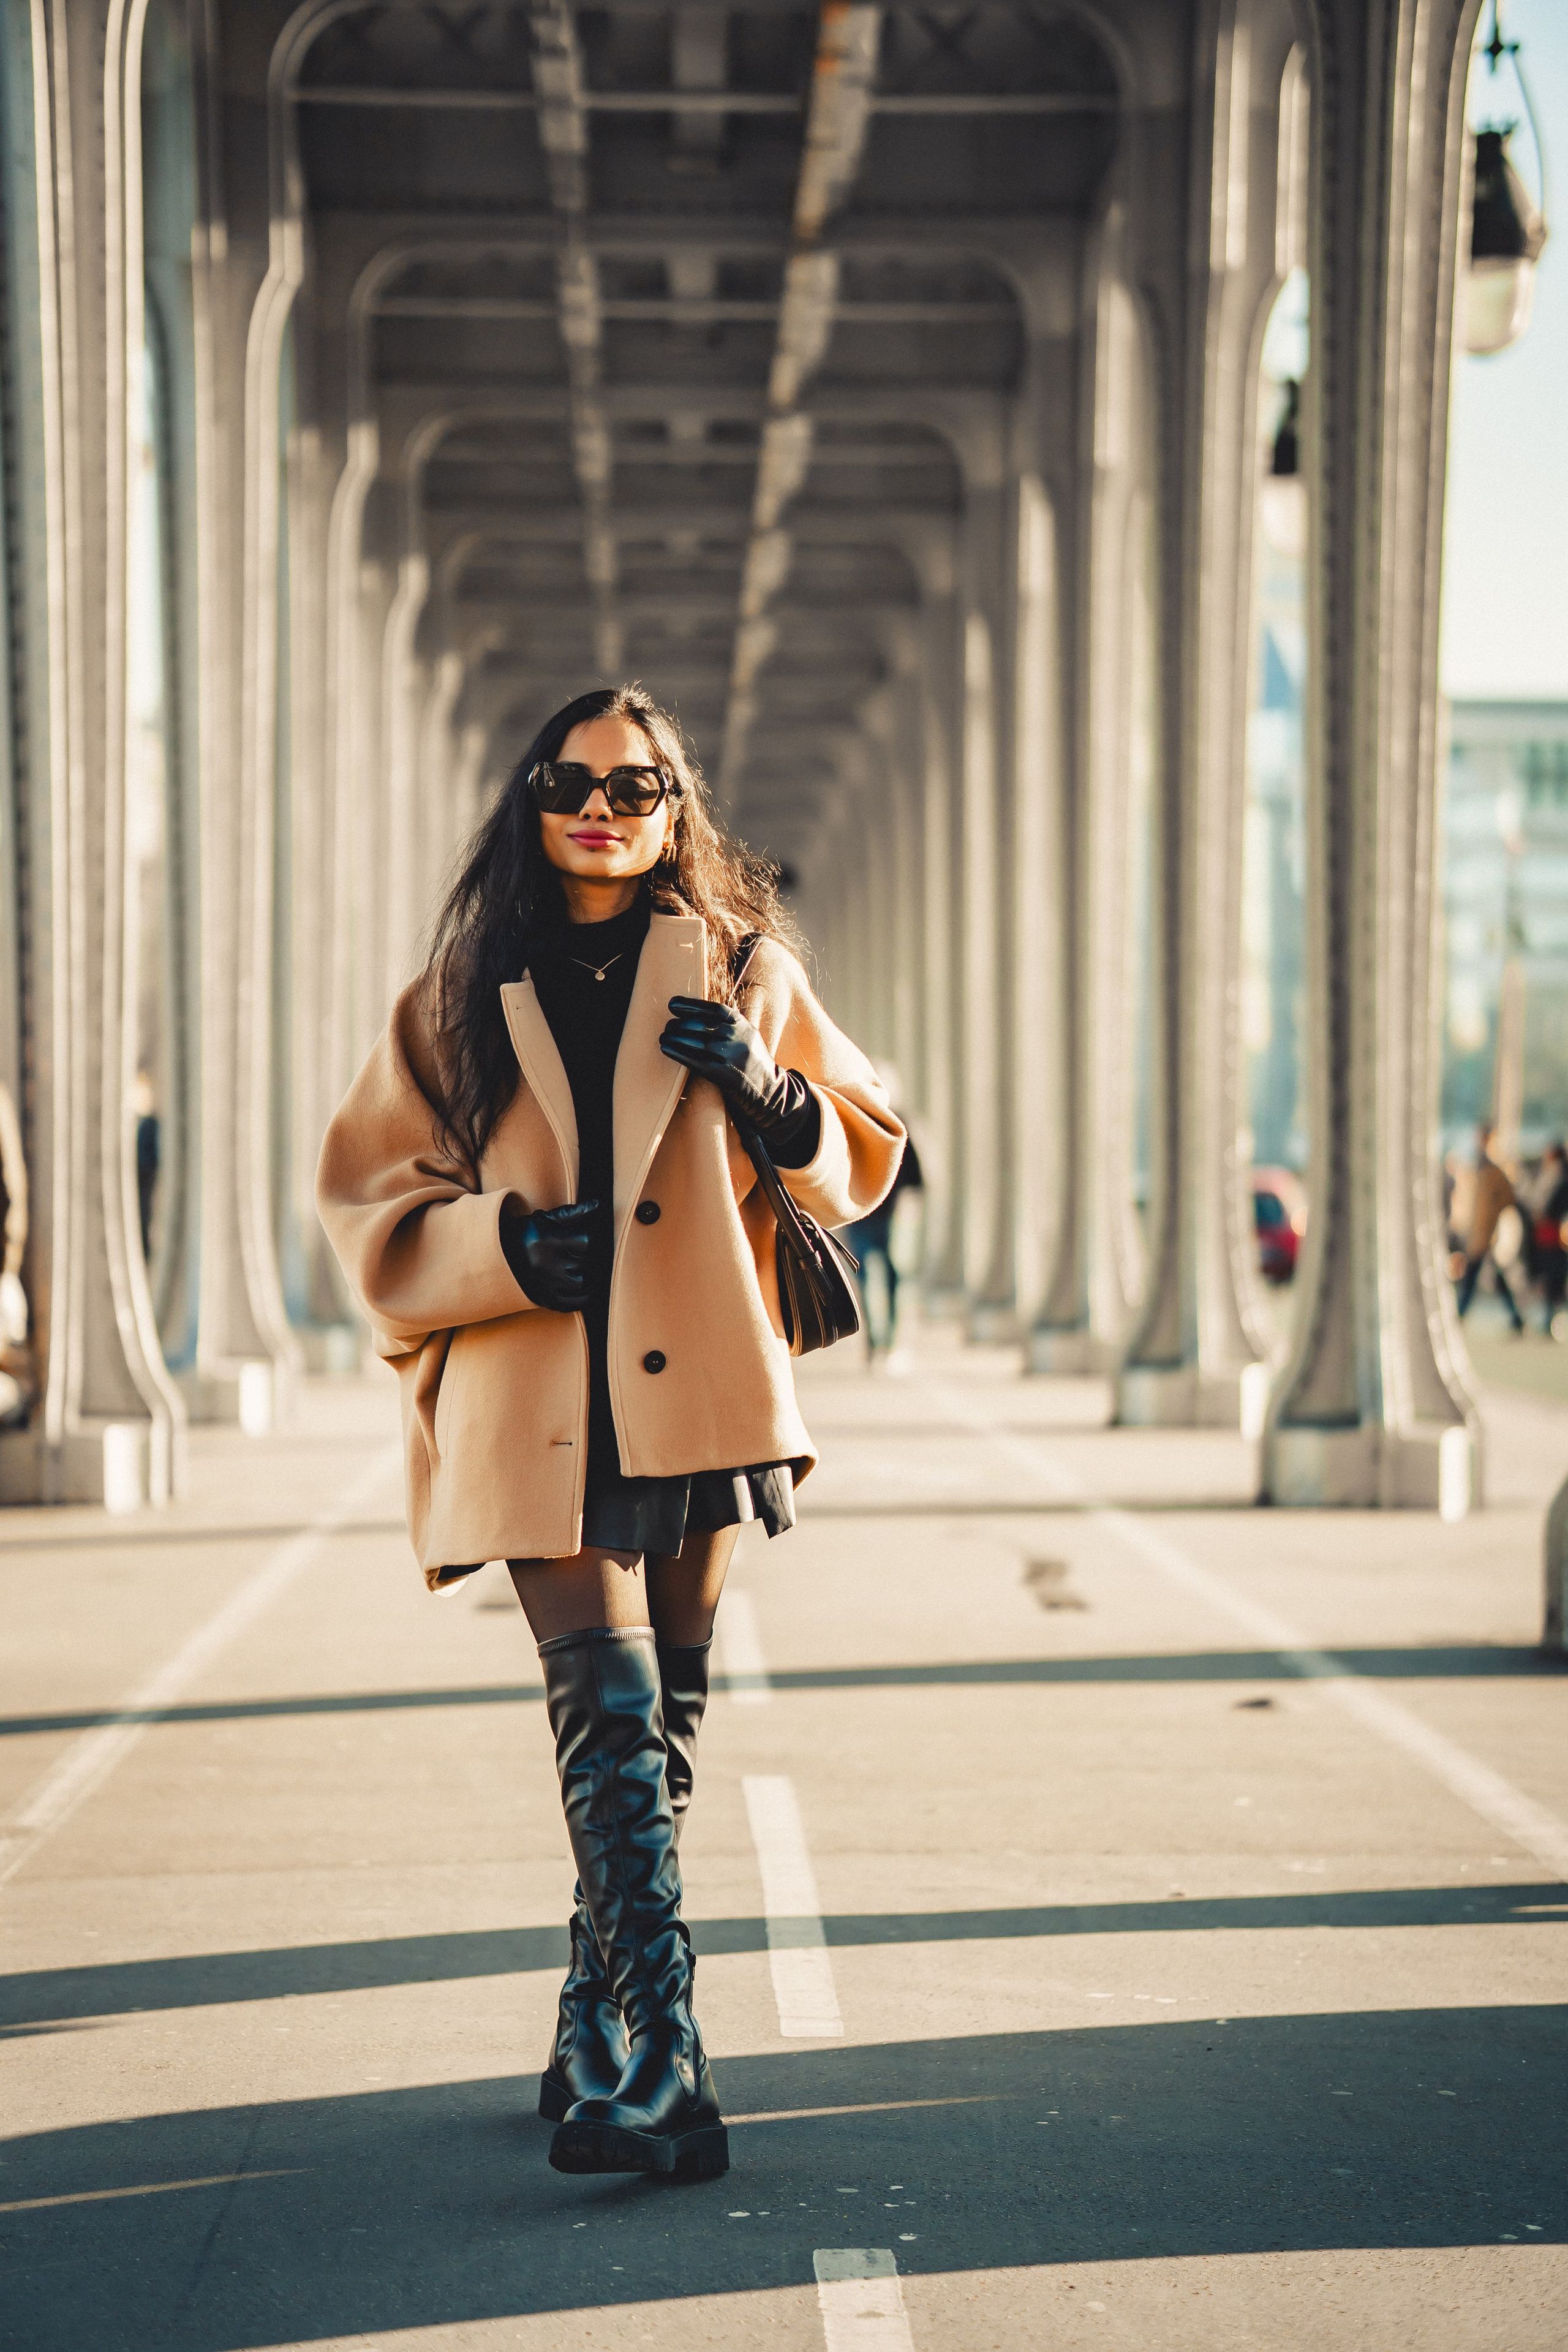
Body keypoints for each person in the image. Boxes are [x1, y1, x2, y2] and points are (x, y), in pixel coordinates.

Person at [316, 685, 903, 2185]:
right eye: (570, 781)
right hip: (535, 1390)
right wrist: (502, 1245)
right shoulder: (461, 987)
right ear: (529, 797)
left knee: (658, 1730)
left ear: (672, 802)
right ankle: (670, 2068)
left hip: (699, 1380)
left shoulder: (743, 961)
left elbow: (860, 1148)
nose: (601, 806)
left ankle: (603, 2027)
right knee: (606, 1718)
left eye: (634, 786)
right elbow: (367, 1194)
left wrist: (766, 1091)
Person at [844, 1118, 922, 1361]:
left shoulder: (854, 1121)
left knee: (878, 1276)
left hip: (870, 1214)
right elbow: (917, 1180)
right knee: (878, 1277)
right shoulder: (898, 1126)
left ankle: (882, 1340)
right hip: (872, 1216)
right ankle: (881, 1341)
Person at [1455, 1123, 1525, 1333]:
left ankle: (1461, 1313)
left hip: (1491, 1234)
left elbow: (1508, 1198)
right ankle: (1515, 1318)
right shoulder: (1479, 1165)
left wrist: (1496, 1215)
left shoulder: (1496, 1166)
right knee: (1490, 1278)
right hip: (1480, 1232)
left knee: (1477, 1276)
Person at [1529, 1140, 1568, 1339]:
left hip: (1557, 1238)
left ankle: (1551, 1321)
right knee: (1551, 1281)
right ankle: (1548, 1321)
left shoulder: (1561, 1178)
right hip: (1547, 1236)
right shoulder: (1548, 1176)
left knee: (1555, 1281)